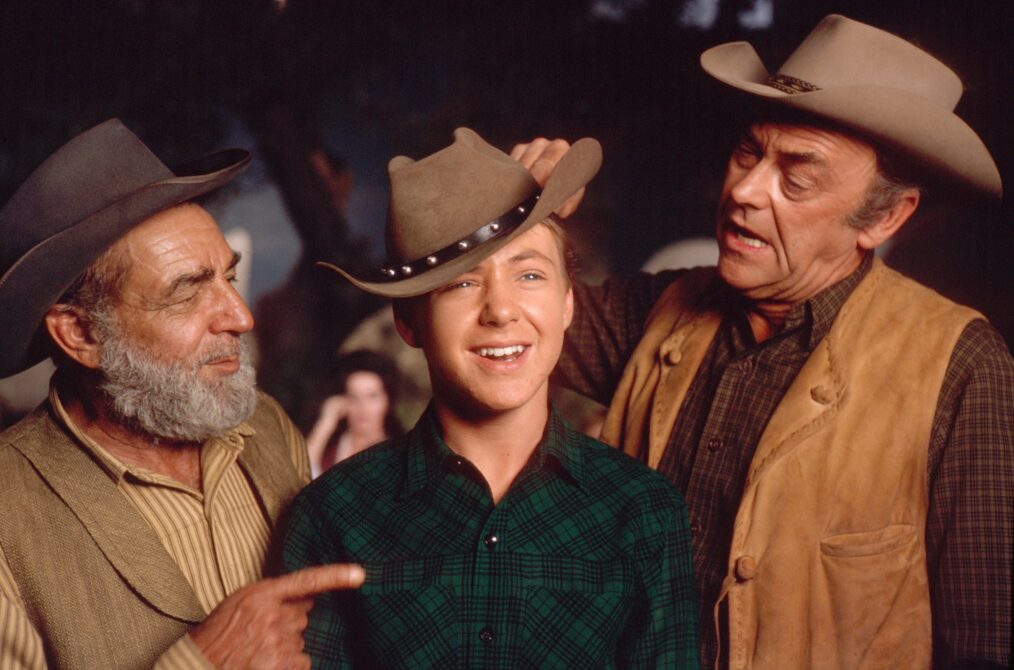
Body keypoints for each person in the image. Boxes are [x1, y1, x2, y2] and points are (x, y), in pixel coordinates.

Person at [512, 15, 1011, 670]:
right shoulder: (662, 310)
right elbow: (490, 326)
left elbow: (985, 644)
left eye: (797, 178)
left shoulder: (961, 366)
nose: (744, 191)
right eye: (749, 153)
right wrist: (514, 215)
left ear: (886, 216)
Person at [281, 127, 700, 668]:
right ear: (408, 322)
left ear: (568, 304)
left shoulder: (643, 510)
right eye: (462, 282)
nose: (500, 310)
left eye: (530, 274)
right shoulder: (334, 513)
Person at [0, 119, 364, 669]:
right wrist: (197, 663)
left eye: (228, 279)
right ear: (80, 334)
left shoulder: (267, 426)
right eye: (187, 294)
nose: (240, 317)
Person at [305, 349, 404, 477]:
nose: (363, 407)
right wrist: (325, 424)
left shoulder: (399, 455)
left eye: (372, 396)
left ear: (388, 401)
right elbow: (299, 475)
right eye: (353, 397)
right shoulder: (330, 448)